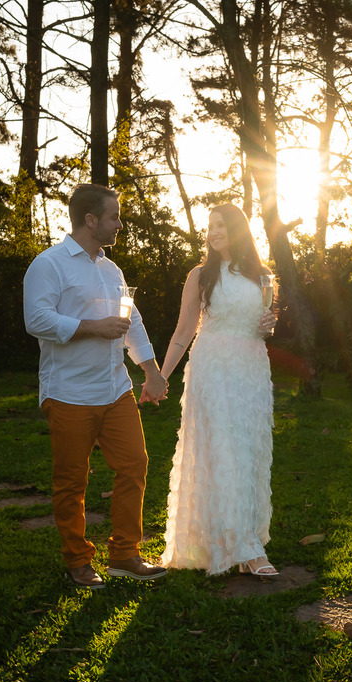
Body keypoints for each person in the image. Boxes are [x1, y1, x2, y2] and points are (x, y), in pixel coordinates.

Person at [23, 184, 169, 589]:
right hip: (69, 392)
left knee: (135, 464)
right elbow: (36, 320)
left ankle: (124, 554)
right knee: (72, 481)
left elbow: (130, 321)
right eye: (113, 217)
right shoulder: (49, 265)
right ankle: (78, 561)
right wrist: (92, 329)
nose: (119, 224)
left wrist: (151, 371)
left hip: (115, 388)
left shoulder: (111, 268)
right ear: (90, 220)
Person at [159, 204, 279, 577]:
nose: (213, 232)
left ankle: (242, 541)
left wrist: (269, 325)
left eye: (221, 225)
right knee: (223, 450)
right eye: (210, 226)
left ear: (238, 230)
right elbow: (183, 331)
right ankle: (245, 547)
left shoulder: (262, 276)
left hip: (251, 368)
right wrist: (161, 375)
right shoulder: (200, 275)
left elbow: (264, 327)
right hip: (212, 367)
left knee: (249, 450)